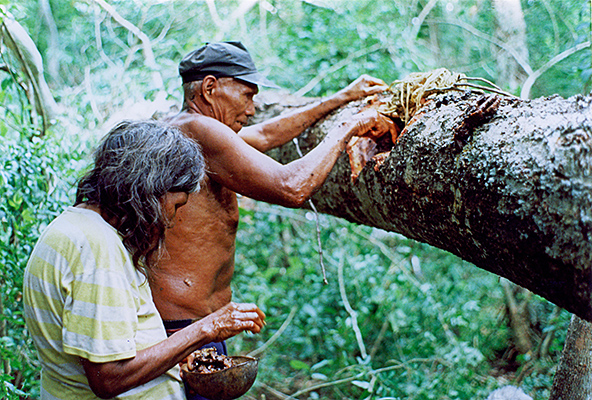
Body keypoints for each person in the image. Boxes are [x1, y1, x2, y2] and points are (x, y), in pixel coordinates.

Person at [152, 41, 395, 356]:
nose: (252, 110)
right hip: (181, 329)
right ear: (210, 88)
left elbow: (265, 135)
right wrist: (350, 125)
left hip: (196, 324)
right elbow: (292, 187)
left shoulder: (193, 129)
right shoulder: (197, 129)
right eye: (247, 95)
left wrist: (340, 98)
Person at [23, 120, 266, 400]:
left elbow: (108, 348)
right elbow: (108, 378)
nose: (173, 221)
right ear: (149, 192)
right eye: (176, 206)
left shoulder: (73, 228)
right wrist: (205, 328)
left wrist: (172, 356)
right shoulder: (97, 248)